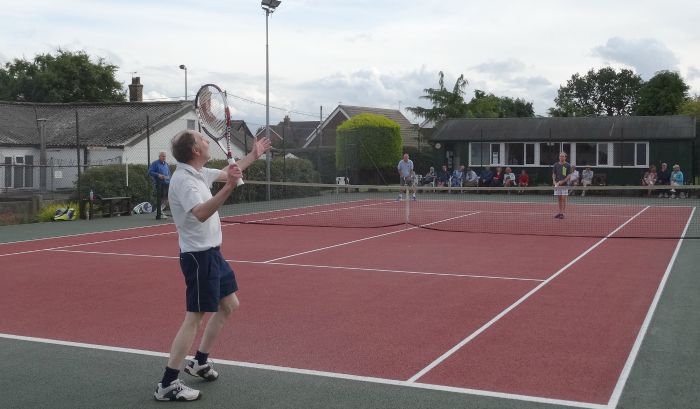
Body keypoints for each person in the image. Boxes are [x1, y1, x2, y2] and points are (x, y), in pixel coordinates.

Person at [153, 130, 270, 402]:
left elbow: (232, 169)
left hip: (213, 254)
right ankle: (168, 384)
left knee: (229, 305)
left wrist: (254, 155)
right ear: (195, 150)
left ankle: (199, 362)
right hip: (198, 257)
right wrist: (229, 186)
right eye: (203, 140)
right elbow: (202, 213)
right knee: (194, 317)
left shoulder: (198, 172)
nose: (207, 143)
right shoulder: (185, 181)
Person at [149, 151, 171, 219]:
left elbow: (169, 174)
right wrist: (158, 175)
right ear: (159, 157)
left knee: (167, 198)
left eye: (165, 156)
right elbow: (150, 172)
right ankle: (159, 212)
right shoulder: (155, 163)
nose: (164, 157)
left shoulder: (166, 164)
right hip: (159, 184)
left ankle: (160, 210)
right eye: (163, 156)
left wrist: (169, 178)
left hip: (167, 183)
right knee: (161, 198)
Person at [552, 152, 572, 219]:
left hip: (564, 185)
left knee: (564, 198)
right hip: (557, 185)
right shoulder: (556, 165)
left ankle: (563, 213)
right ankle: (560, 212)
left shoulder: (568, 165)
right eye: (560, 156)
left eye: (563, 156)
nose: (561, 157)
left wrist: (562, 181)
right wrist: (554, 181)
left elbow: (569, 175)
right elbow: (554, 174)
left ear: (565, 157)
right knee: (559, 199)